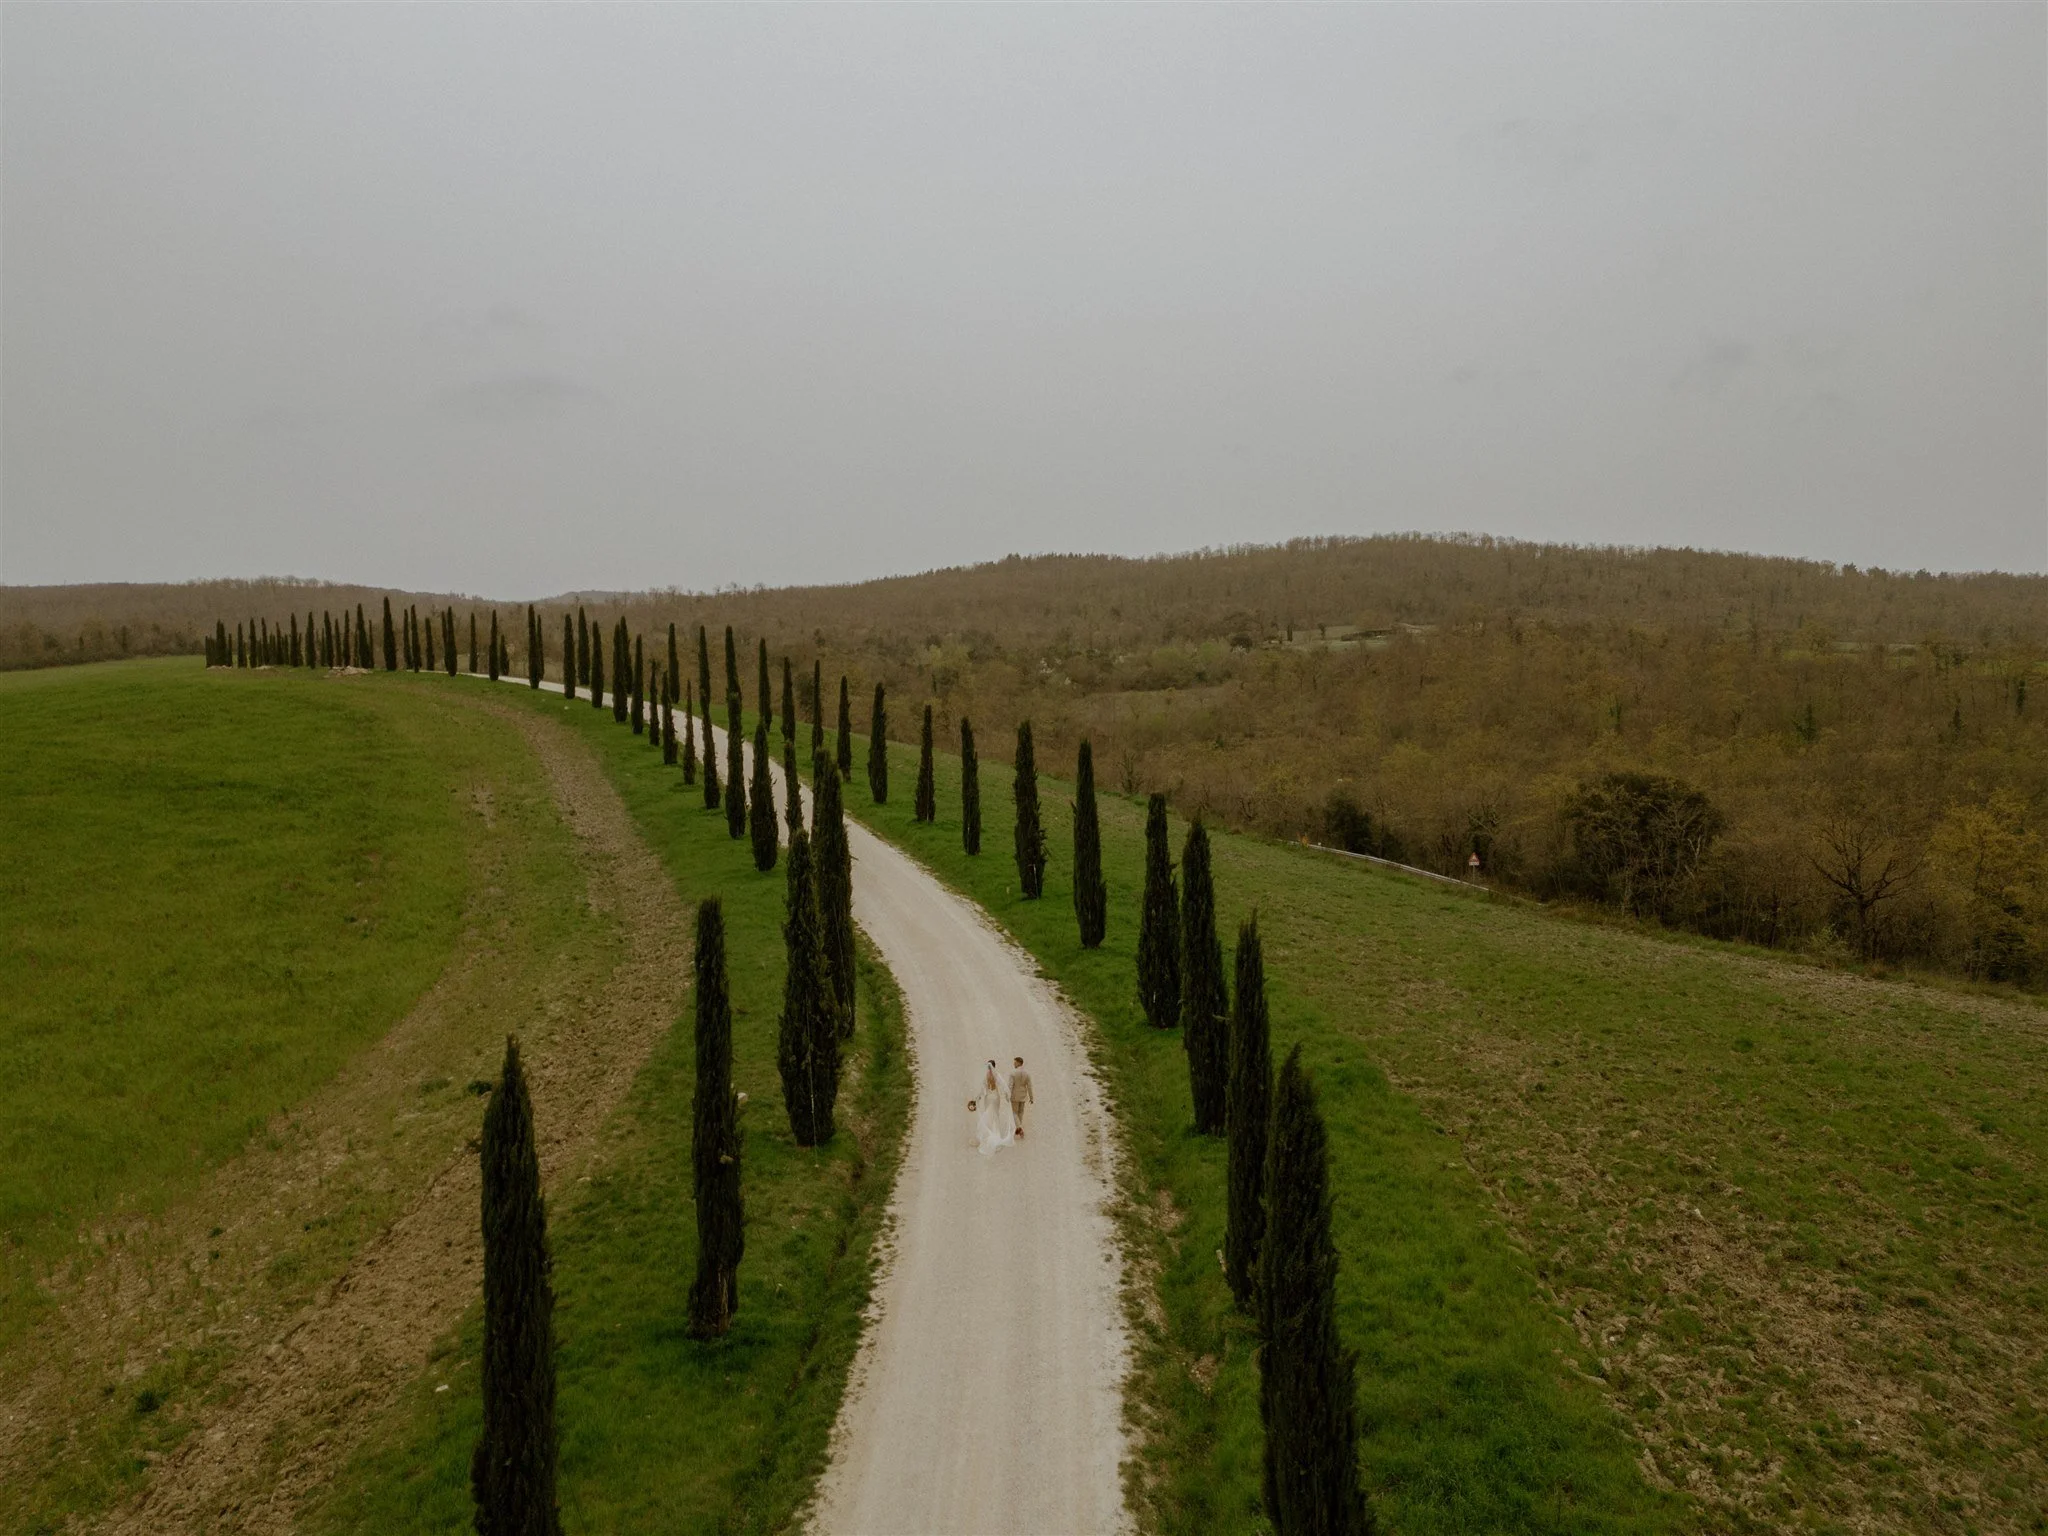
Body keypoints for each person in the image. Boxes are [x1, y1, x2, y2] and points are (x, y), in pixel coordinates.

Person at [975, 1059, 1014, 1155]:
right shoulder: (997, 1075)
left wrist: (978, 1097)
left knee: (988, 1114)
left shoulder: (985, 1076)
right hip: (996, 1097)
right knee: (996, 1115)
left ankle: (988, 1135)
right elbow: (1003, 1085)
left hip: (988, 1097)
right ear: (994, 1066)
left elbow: (982, 1088)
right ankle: (996, 1134)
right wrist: (1007, 1095)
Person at [1009, 1056, 1034, 1138]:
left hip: (1015, 1096)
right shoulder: (1027, 1073)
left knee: (1014, 1112)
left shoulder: (1013, 1073)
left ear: (1019, 1063)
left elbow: (1010, 1086)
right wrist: (1031, 1097)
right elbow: (1029, 1086)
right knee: (1021, 1112)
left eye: (1015, 1062)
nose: (1014, 1064)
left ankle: (1019, 1128)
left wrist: (1008, 1095)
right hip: (1023, 1096)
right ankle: (1018, 1128)